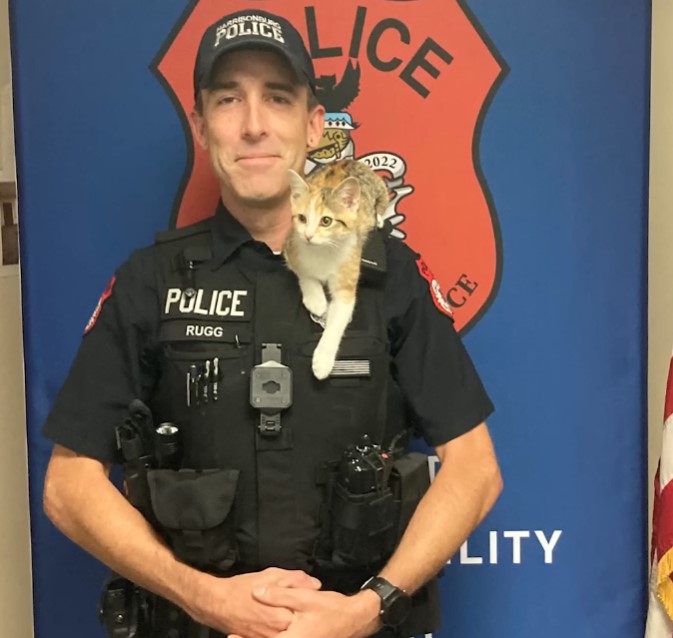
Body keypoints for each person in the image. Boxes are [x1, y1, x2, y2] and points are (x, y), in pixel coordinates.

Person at [42, 8, 502, 638]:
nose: (254, 125)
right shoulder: (152, 282)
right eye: (229, 100)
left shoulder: (389, 274)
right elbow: (67, 486)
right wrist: (203, 597)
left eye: (277, 99)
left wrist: (366, 610)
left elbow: (475, 469)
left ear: (314, 125)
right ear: (201, 126)